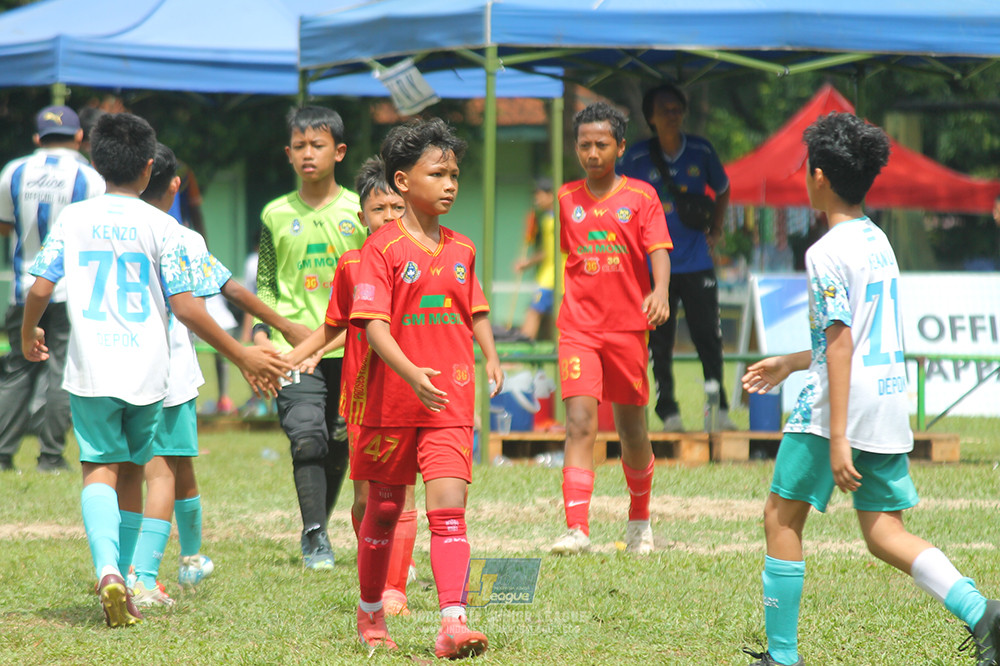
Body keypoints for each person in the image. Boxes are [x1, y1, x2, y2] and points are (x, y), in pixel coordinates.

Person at [740, 111, 1000, 666]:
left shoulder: (824, 251)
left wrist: (836, 437)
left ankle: (782, 657)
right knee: (883, 532)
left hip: (837, 406)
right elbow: (855, 331)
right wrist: (791, 362)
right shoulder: (877, 240)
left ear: (818, 177)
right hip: (885, 400)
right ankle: (984, 614)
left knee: (781, 516)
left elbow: (839, 343)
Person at [20, 112, 288, 628]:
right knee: (136, 475)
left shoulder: (74, 219)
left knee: (98, 467)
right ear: (149, 169)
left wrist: (30, 329)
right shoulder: (163, 226)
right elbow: (188, 309)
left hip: (91, 368)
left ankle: (107, 571)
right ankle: (131, 574)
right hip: (147, 373)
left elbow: (39, 287)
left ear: (96, 164)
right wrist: (241, 352)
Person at [347, 118, 503, 658]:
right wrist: (411, 372)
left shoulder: (463, 249)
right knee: (384, 511)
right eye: (438, 173)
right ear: (403, 181)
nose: (451, 183)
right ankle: (371, 616)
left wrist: (491, 357)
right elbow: (373, 325)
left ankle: (453, 622)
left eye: (455, 173)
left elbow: (473, 310)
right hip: (391, 404)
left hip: (450, 402)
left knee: (449, 510)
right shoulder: (382, 249)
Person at [124, 143, 304, 606]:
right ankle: (141, 575)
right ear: (175, 184)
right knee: (162, 471)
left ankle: (187, 557)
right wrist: (268, 336)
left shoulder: (110, 231)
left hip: (112, 367)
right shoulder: (178, 236)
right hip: (167, 372)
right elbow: (227, 290)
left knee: (152, 466)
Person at [284, 155, 417, 616]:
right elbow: (339, 324)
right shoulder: (352, 264)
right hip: (362, 396)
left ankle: (395, 585)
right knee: (366, 497)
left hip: (409, 391)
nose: (389, 218)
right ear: (361, 218)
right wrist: (295, 356)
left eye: (397, 208)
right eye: (379, 209)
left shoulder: (416, 258)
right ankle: (374, 562)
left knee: (403, 489)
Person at [549, 101, 671, 558]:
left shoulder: (641, 197)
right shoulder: (565, 200)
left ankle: (639, 519)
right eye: (585, 145)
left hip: (627, 330)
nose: (593, 152)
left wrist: (659, 291)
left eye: (602, 144)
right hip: (578, 328)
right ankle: (576, 528)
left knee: (631, 429)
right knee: (579, 422)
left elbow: (658, 248)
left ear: (620, 146)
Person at [252, 105, 363, 570]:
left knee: (339, 441)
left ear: (338, 151)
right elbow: (266, 285)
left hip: (351, 346)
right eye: (299, 147)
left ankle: (321, 522)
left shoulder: (361, 209)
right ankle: (315, 534)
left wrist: (329, 342)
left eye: (317, 145)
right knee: (306, 436)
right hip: (293, 352)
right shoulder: (274, 214)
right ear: (288, 154)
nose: (308, 154)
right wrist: (262, 336)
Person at [620, 82, 735, 432]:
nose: (672, 116)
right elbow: (619, 200)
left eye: (677, 109)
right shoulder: (637, 158)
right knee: (660, 341)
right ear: (651, 117)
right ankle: (668, 411)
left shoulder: (701, 149)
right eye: (664, 110)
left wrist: (716, 229)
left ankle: (719, 409)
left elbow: (724, 188)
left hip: (698, 261)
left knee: (708, 337)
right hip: (654, 268)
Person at [0, 105, 106, 473]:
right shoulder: (89, 177)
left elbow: (3, 226)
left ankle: (2, 455)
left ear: (36, 139)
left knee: (17, 368)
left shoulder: (13, 171)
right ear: (80, 137)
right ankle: (50, 456)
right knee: (61, 370)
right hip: (70, 292)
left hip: (24, 289)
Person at [514, 177, 557, 340]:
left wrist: (528, 262)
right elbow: (547, 250)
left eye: (539, 195)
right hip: (549, 275)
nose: (536, 199)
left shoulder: (556, 220)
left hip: (552, 277)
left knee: (534, 312)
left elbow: (550, 251)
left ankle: (521, 354)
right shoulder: (547, 218)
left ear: (551, 195)